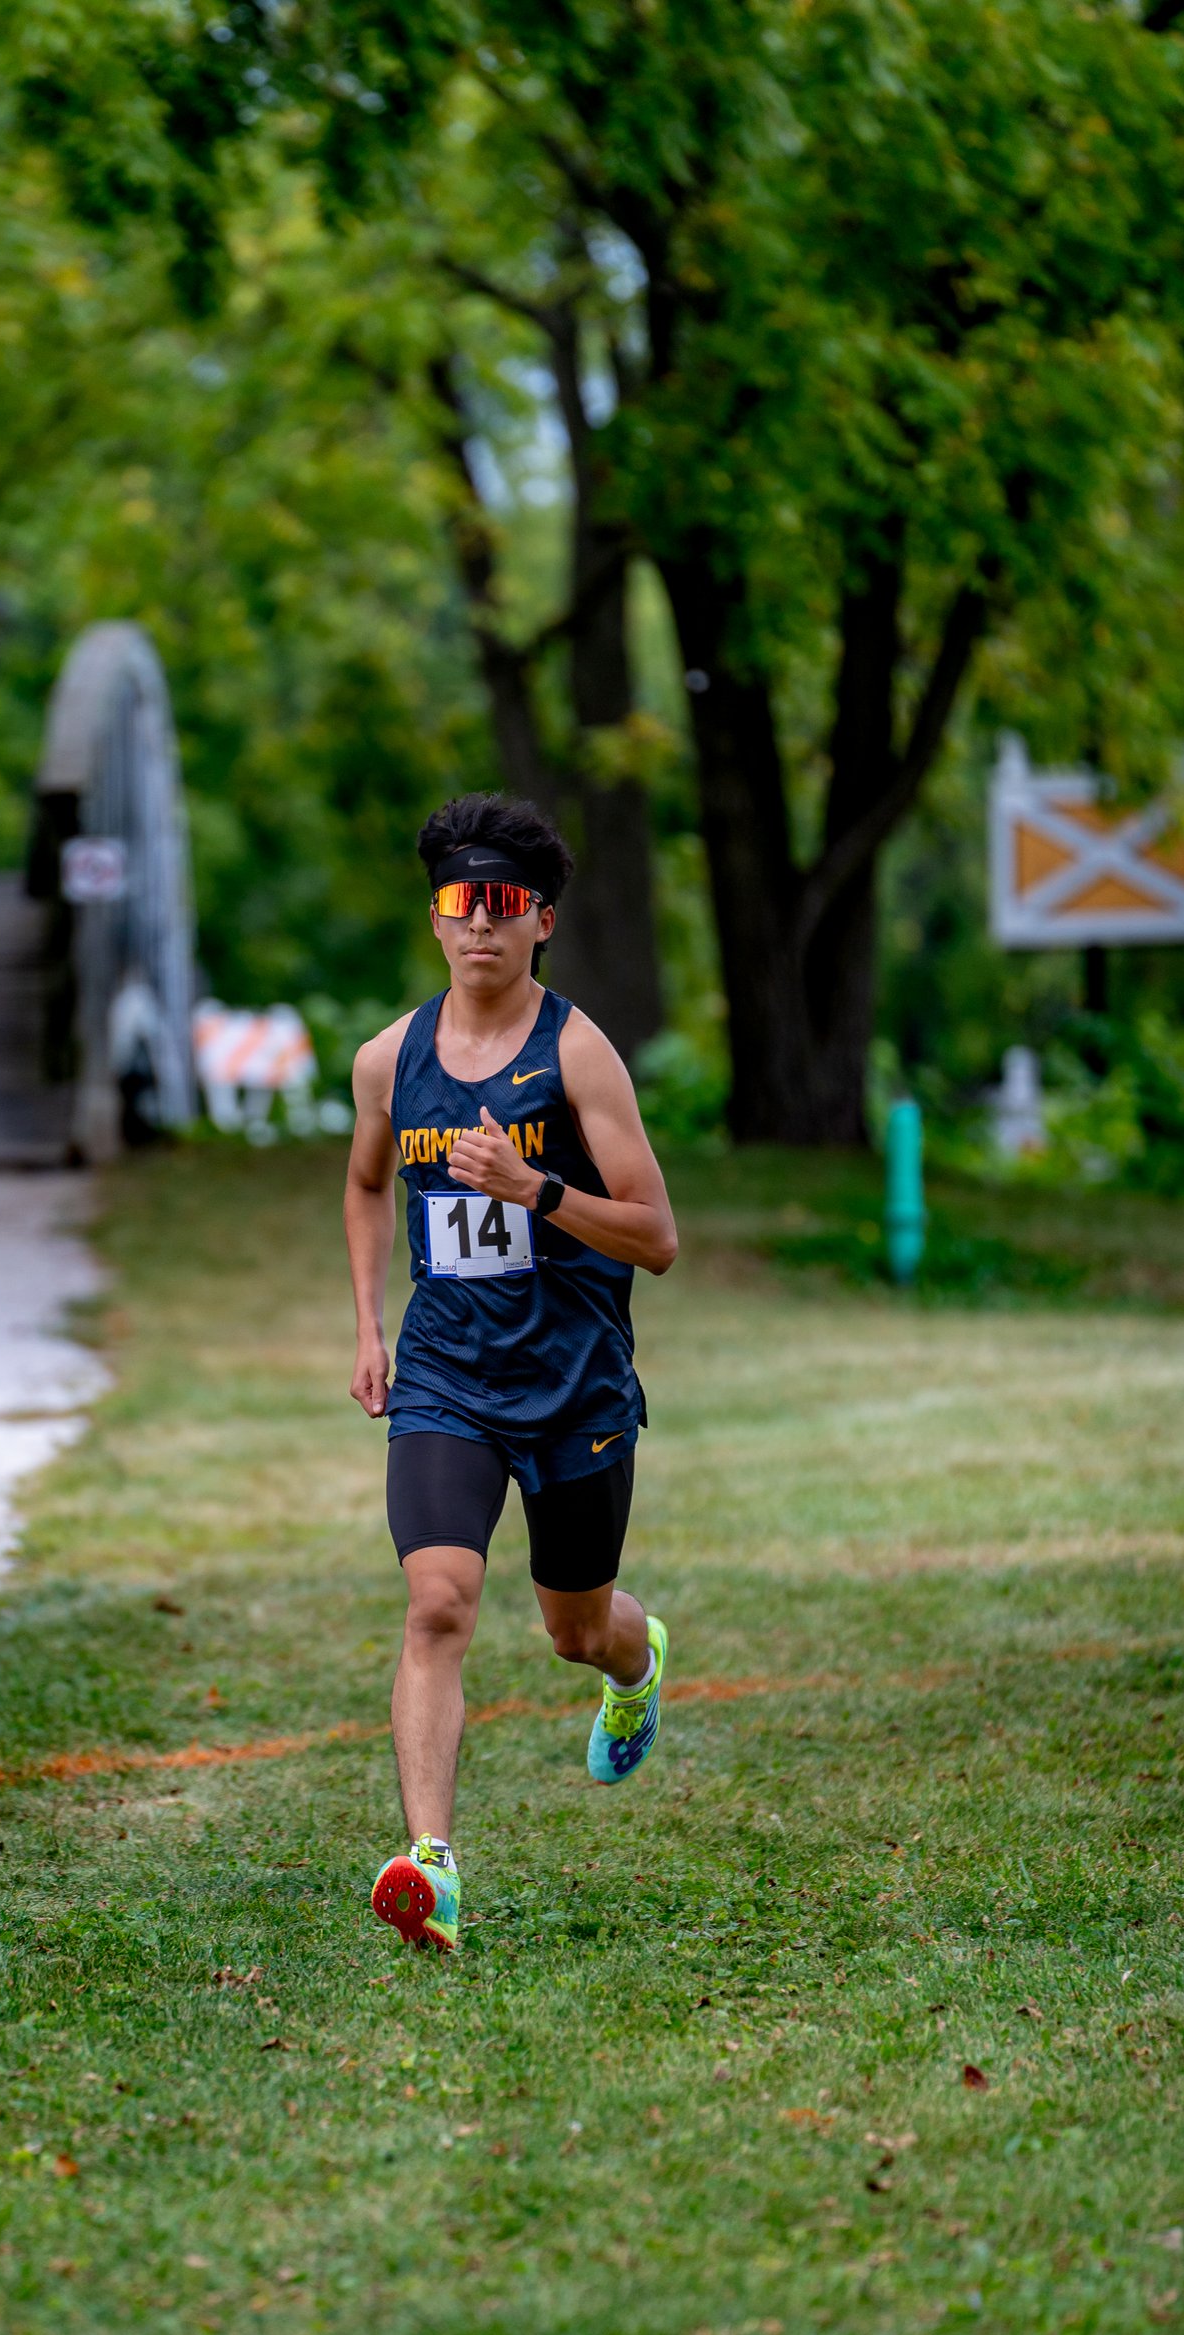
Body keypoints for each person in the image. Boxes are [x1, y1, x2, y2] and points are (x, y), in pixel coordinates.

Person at [344, 792, 679, 1953]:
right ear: (436, 920)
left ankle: (634, 1667)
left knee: (575, 1628)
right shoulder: (387, 1058)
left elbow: (657, 1236)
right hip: (446, 1376)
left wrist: (534, 1189)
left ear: (539, 921)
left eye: (501, 905)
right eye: (456, 903)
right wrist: (368, 1326)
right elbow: (366, 1184)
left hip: (573, 1381)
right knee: (437, 1602)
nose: (476, 923)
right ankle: (429, 1865)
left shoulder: (577, 1053)